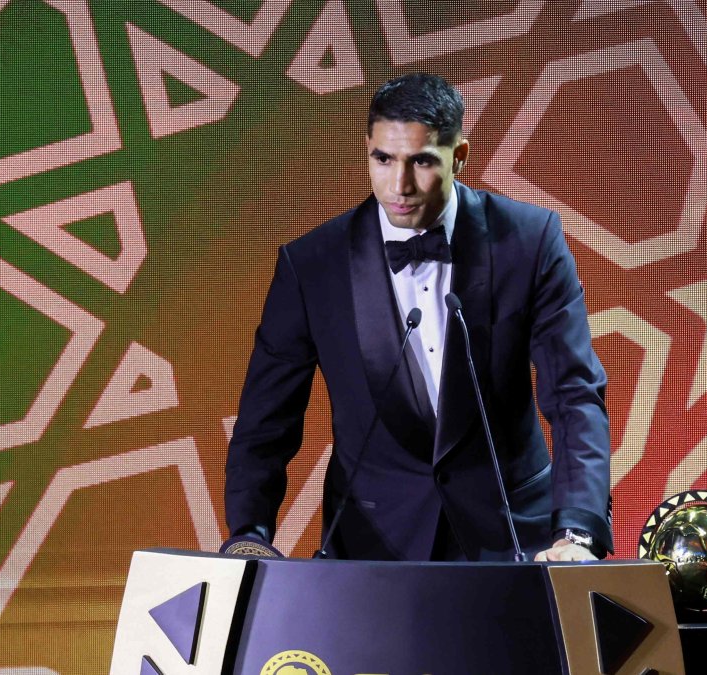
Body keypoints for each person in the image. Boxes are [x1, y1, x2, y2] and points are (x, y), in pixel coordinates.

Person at [225, 73, 612, 562]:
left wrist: (577, 533)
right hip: (372, 547)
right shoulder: (311, 265)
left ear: (460, 155)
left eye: (422, 161)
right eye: (383, 159)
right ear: (367, 149)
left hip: (514, 536)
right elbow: (267, 419)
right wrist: (249, 531)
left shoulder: (530, 241)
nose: (400, 185)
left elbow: (574, 395)